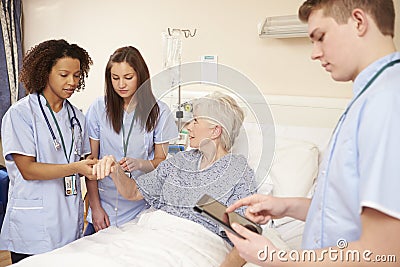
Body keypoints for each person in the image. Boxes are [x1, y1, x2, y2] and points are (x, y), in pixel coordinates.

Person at [225, 0, 400, 266]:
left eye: (320, 37)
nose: (314, 53)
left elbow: (384, 252)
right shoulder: (371, 97)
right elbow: (345, 213)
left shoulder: (387, 101)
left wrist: (276, 258)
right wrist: (286, 206)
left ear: (359, 21)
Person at [91, 92, 256, 266]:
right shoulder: (181, 160)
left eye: (195, 121)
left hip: (193, 244)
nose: (188, 126)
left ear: (215, 130)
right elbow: (133, 192)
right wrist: (115, 170)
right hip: (150, 235)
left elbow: (247, 235)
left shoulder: (238, 170)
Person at [0, 39, 97, 263]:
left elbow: (84, 159)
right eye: (64, 75)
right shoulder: (21, 114)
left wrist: (98, 164)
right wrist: (76, 167)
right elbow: (28, 169)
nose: (72, 82)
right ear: (45, 72)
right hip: (34, 226)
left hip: (68, 220)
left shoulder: (77, 118)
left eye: (77, 75)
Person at [84, 46, 179, 235]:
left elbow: (160, 161)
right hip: (104, 204)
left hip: (139, 207)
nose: (121, 85)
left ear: (141, 76)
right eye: (115, 78)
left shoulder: (159, 112)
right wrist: (95, 207)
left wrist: (141, 164)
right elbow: (90, 162)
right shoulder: (98, 108)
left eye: (128, 78)